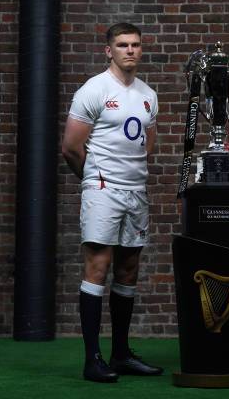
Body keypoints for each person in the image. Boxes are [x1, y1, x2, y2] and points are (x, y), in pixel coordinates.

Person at [62, 22, 162, 383]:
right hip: (103, 189)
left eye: (135, 44)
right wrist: (93, 181)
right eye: (122, 45)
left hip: (136, 191)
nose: (130, 50)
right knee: (98, 267)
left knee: (128, 269)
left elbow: (147, 144)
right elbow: (71, 147)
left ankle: (120, 354)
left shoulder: (149, 94)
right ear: (109, 50)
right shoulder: (94, 89)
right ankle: (93, 360)